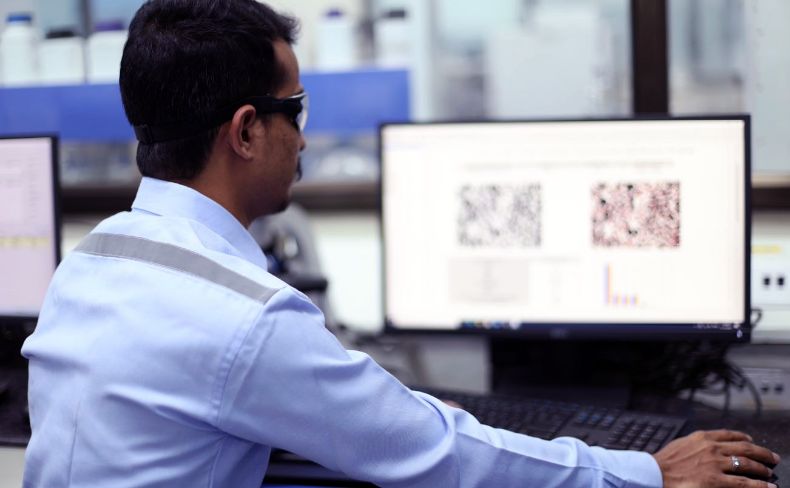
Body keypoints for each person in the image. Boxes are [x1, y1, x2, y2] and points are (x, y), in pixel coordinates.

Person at [21, 1, 780, 487]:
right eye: (295, 109)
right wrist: (647, 472)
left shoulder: (91, 264)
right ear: (247, 131)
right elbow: (439, 455)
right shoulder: (244, 318)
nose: (304, 137)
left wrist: (383, 409)